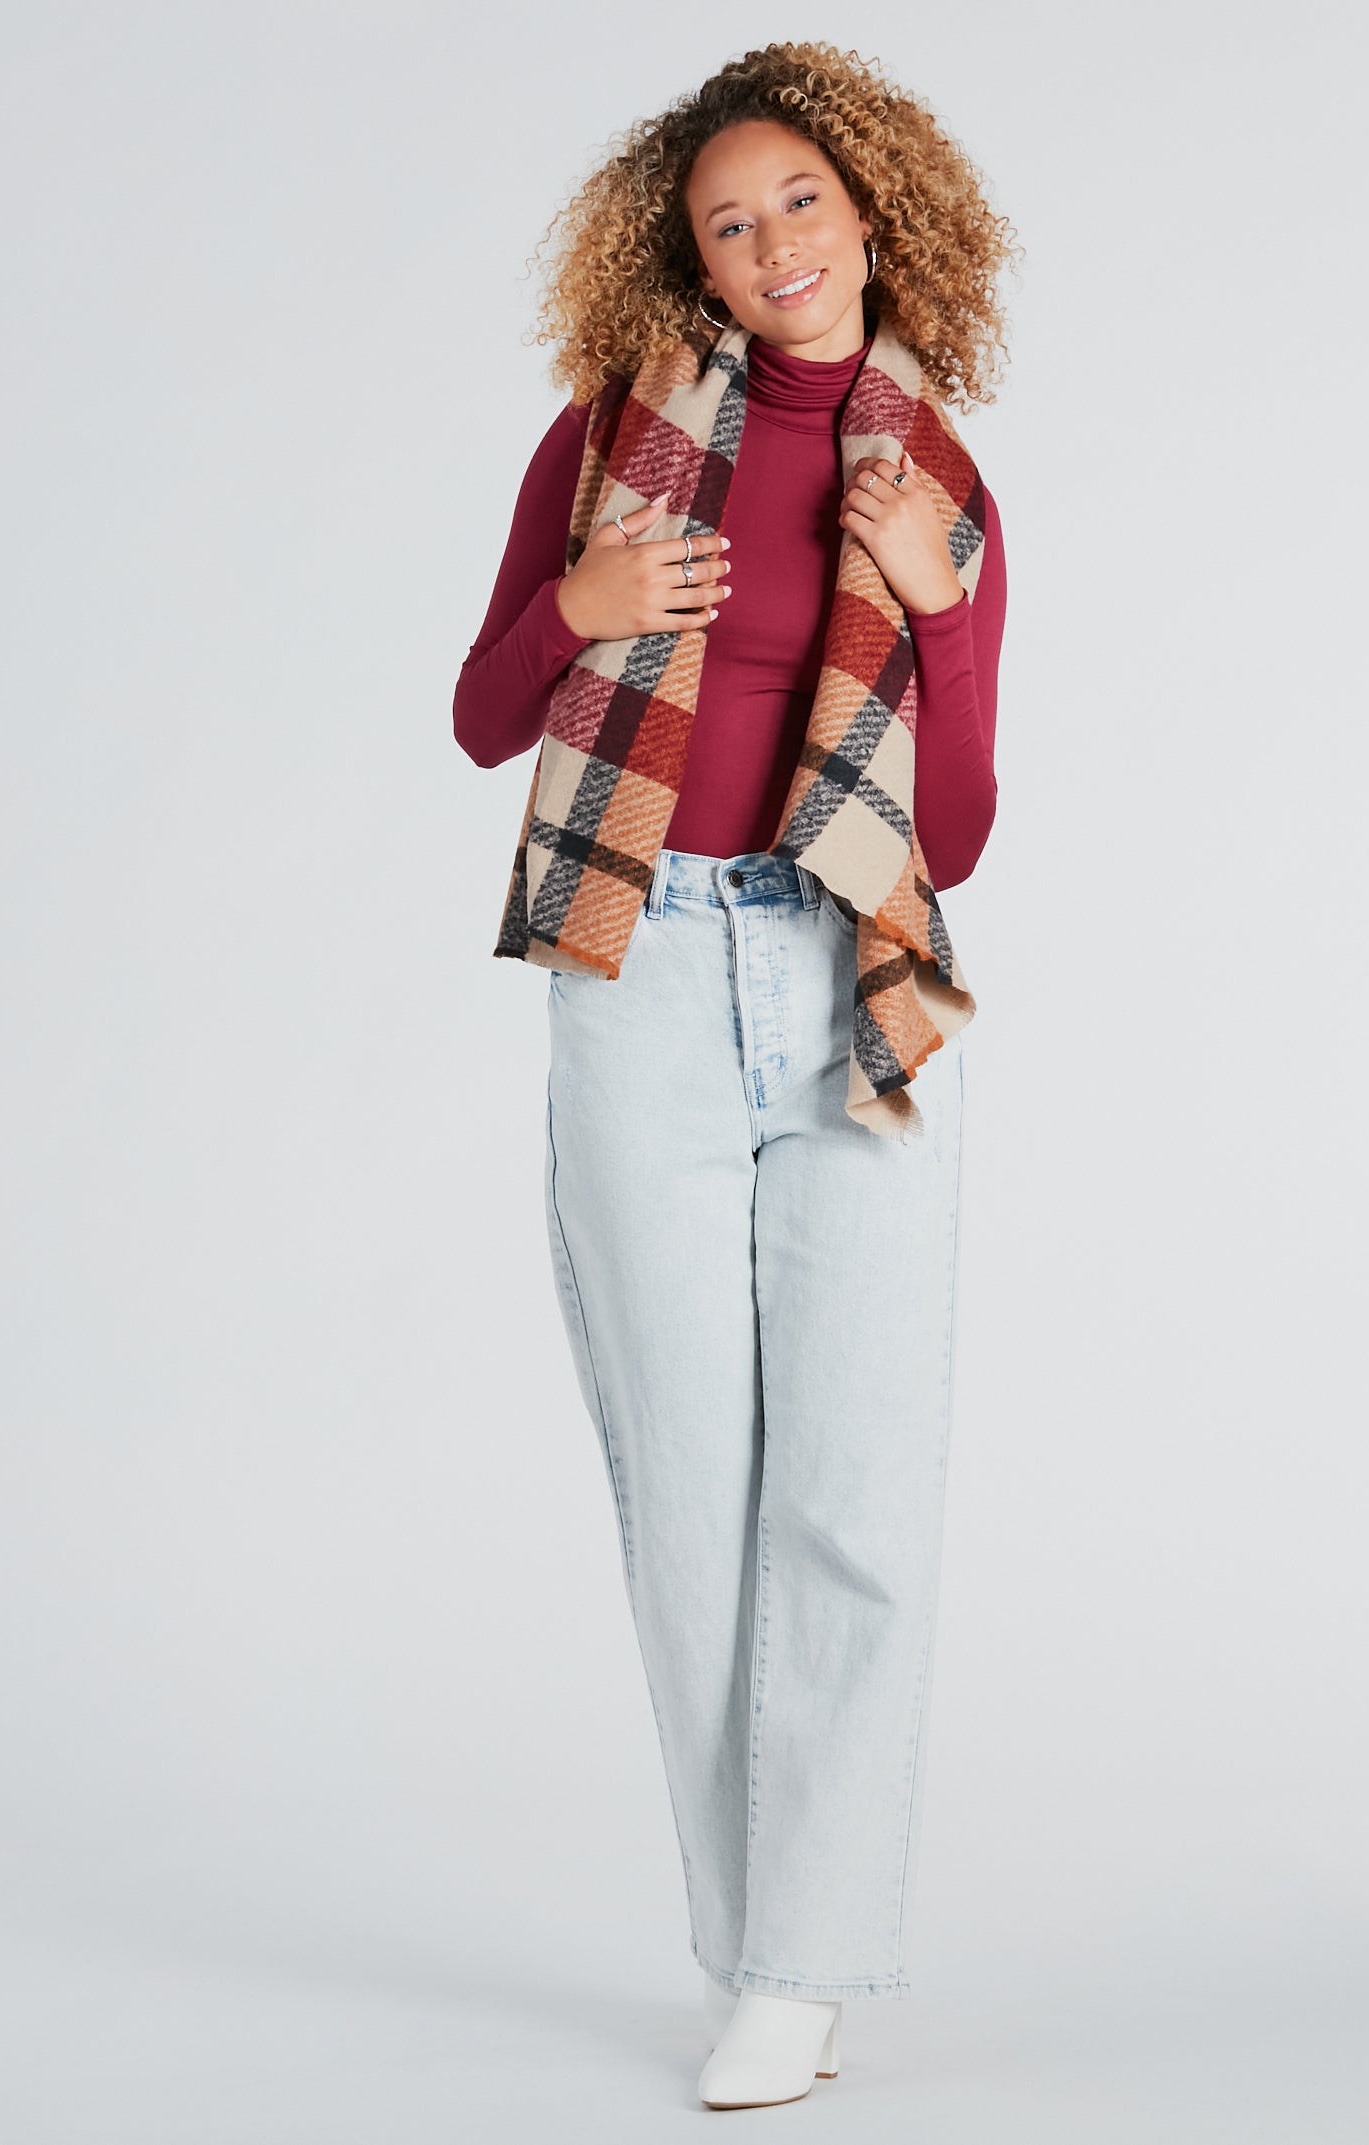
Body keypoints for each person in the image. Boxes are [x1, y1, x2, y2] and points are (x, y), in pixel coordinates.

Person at [453, 42, 1017, 2112]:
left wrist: (936, 609)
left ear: (871, 213)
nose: (772, 244)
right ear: (683, 257)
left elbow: (953, 831)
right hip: (638, 970)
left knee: (852, 1496)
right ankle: (753, 1950)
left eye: (800, 202)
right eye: (726, 221)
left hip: (846, 979)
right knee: (694, 1497)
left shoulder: (935, 485)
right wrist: (580, 604)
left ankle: (800, 1962)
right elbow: (480, 709)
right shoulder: (609, 439)